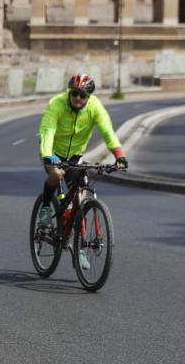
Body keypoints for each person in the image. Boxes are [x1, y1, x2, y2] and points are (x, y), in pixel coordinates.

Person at [37, 74, 127, 269]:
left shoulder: (95, 107)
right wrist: (47, 154)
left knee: (81, 198)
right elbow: (48, 130)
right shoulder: (57, 104)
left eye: (83, 95)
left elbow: (107, 130)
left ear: (88, 97)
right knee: (57, 174)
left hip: (75, 155)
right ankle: (45, 208)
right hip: (53, 150)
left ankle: (78, 249)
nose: (78, 98)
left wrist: (119, 155)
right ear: (70, 92)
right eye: (75, 94)